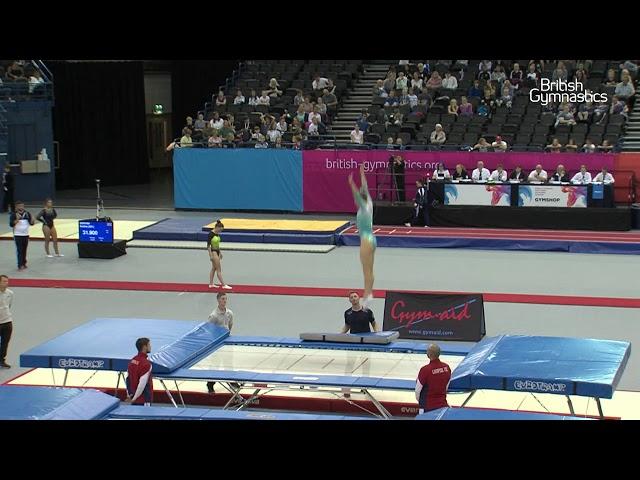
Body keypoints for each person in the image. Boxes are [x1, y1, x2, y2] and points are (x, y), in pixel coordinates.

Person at [348, 164, 376, 309]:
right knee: (370, 270)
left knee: (366, 271)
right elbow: (364, 188)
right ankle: (369, 295)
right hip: (372, 239)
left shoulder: (364, 207)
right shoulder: (369, 203)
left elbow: (357, 195)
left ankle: (366, 298)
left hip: (365, 240)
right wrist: (362, 173)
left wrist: (351, 183)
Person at [206, 292, 235, 394]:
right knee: (215, 364)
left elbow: (230, 325)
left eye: (226, 299)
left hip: (227, 341)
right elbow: (209, 329)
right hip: (217, 343)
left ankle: (231, 381)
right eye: (223, 299)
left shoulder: (229, 313)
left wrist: (227, 336)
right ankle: (210, 384)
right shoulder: (213, 315)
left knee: (229, 362)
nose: (225, 301)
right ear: (218, 300)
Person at [415, 344, 451, 414]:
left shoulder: (425, 370)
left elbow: (417, 391)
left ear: (428, 354)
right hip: (442, 405)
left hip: (427, 407)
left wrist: (421, 402)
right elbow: (446, 386)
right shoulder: (446, 367)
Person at [125, 337, 153, 406]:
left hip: (134, 397)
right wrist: (134, 398)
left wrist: (129, 394)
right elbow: (142, 384)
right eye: (149, 345)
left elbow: (127, 379)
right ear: (144, 347)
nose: (150, 346)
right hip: (143, 400)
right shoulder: (146, 364)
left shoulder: (132, 360)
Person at [10, 201, 35, 270]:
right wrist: (17, 220)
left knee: (24, 250)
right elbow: (11, 224)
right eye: (19, 206)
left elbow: (31, 223)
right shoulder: (13, 214)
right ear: (16, 207)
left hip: (26, 234)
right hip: (18, 235)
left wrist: (32, 220)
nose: (21, 207)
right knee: (19, 250)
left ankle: (24, 263)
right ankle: (20, 265)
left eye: (22, 206)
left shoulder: (27, 214)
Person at [207, 220, 231, 289]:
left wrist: (220, 252)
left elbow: (217, 245)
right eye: (220, 230)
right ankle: (224, 285)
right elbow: (208, 246)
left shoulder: (217, 233)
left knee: (214, 268)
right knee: (218, 269)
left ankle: (211, 284)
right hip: (213, 252)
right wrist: (210, 255)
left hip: (217, 251)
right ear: (217, 227)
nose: (220, 231)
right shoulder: (210, 234)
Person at [0, 275, 13, 368]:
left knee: (5, 343)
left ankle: (1, 360)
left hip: (7, 322)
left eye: (7, 281)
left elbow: (9, 306)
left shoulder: (10, 293)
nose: (6, 283)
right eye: (4, 281)